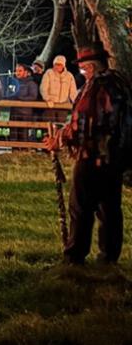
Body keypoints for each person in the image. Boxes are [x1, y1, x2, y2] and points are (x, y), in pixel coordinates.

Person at [48, 44, 130, 266]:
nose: (83, 73)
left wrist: (61, 138)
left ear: (92, 67)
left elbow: (84, 120)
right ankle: (108, 257)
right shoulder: (120, 84)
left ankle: (75, 256)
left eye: (84, 69)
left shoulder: (98, 87)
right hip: (114, 158)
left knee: (81, 206)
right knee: (109, 207)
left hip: (93, 155)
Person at [40, 54, 79, 123]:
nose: (57, 66)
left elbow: (73, 91)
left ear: (63, 65)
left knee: (61, 126)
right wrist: (47, 98)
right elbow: (43, 88)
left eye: (59, 64)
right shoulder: (49, 73)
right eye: (56, 64)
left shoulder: (69, 76)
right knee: (49, 125)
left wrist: (75, 103)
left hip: (63, 105)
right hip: (50, 105)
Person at [10, 63, 40, 143]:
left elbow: (33, 97)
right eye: (16, 71)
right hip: (14, 112)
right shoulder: (13, 83)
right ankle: (14, 150)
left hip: (25, 113)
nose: (17, 73)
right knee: (14, 134)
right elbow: (9, 94)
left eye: (20, 71)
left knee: (23, 134)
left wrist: (20, 99)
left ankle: (24, 151)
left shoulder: (31, 84)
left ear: (26, 72)